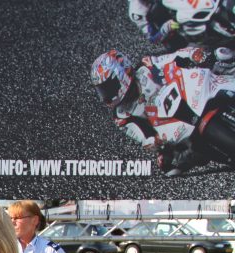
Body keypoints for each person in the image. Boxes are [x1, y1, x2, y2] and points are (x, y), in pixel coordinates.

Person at [90, 47, 235, 175]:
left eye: (109, 87)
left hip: (187, 92)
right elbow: (142, 135)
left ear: (122, 72)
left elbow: (175, 56)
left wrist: (194, 54)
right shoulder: (121, 116)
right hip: (167, 127)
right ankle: (221, 157)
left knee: (221, 57)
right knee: (167, 165)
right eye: (103, 90)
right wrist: (153, 142)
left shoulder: (147, 65)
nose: (107, 95)